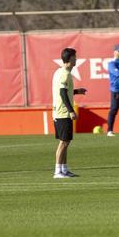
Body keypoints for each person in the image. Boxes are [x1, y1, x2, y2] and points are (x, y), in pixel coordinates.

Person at [52, 47, 87, 178]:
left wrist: (77, 91)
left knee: (66, 141)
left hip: (61, 112)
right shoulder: (65, 73)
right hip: (62, 112)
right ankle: (57, 171)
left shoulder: (60, 71)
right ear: (70, 58)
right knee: (63, 142)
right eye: (75, 57)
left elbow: (64, 91)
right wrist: (71, 111)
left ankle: (64, 169)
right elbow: (62, 93)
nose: (76, 59)